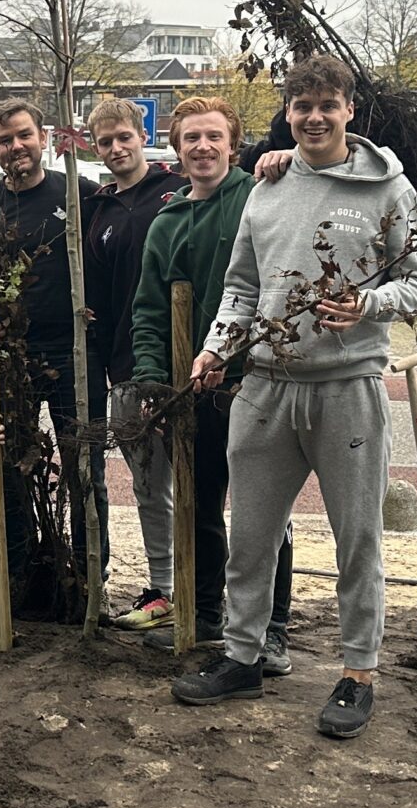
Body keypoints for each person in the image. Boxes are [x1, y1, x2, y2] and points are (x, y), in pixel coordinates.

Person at [177, 55, 417, 739]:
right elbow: (240, 286)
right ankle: (241, 656)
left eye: (328, 105)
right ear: (287, 114)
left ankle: (358, 673)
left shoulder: (387, 190)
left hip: (346, 389)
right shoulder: (267, 185)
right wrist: (216, 348)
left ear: (349, 109)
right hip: (264, 385)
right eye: (301, 106)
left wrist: (370, 304)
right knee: (251, 537)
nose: (315, 117)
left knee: (358, 539)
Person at [124, 95, 294, 658]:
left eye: (213, 137)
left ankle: (271, 630)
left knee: (262, 513)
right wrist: (152, 381)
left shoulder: (260, 197)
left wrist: (283, 161)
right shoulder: (165, 223)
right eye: (191, 138)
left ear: (233, 144)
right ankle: (204, 614)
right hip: (189, 390)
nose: (203, 147)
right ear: (176, 149)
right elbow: (148, 310)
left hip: (254, 382)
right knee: (198, 506)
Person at [0, 97, 104, 594]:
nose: (15, 146)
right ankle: (18, 576)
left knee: (84, 466)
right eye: (4, 140)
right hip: (9, 361)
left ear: (44, 138)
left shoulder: (80, 194)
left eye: (23, 135)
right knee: (9, 464)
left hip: (73, 355)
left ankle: (87, 577)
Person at [81, 96, 184, 624]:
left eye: (124, 137)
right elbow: (95, 301)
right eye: (105, 142)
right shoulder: (96, 212)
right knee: (149, 485)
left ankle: (203, 588)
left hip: (186, 365)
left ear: (143, 134)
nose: (117, 148)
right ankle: (162, 588)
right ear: (93, 148)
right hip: (124, 369)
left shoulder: (177, 191)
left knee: (199, 482)